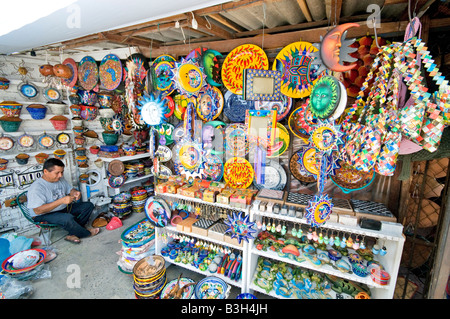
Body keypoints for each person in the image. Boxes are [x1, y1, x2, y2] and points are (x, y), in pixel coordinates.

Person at [27, 158, 99, 244]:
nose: (60, 175)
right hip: (43, 214)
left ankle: (73, 233)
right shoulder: (37, 187)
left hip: (61, 209)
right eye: (57, 173)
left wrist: (75, 192)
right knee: (67, 218)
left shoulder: (59, 179)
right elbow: (37, 210)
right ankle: (85, 233)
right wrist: (61, 201)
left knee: (88, 206)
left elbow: (70, 190)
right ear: (45, 172)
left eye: (62, 172)